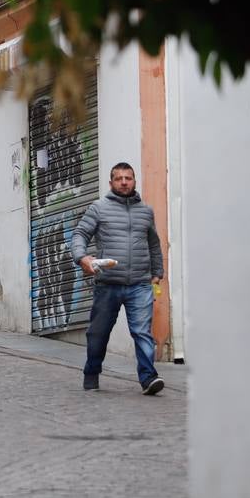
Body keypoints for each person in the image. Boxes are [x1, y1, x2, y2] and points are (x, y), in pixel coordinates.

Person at [70, 162, 166, 395]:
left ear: (134, 181)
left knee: (142, 332)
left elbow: (153, 243)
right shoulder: (98, 208)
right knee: (98, 333)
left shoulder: (146, 211)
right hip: (108, 284)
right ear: (111, 182)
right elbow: (80, 234)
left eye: (129, 178)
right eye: (119, 178)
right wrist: (81, 257)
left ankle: (148, 378)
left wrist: (157, 273)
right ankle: (91, 373)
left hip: (140, 284)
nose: (124, 182)